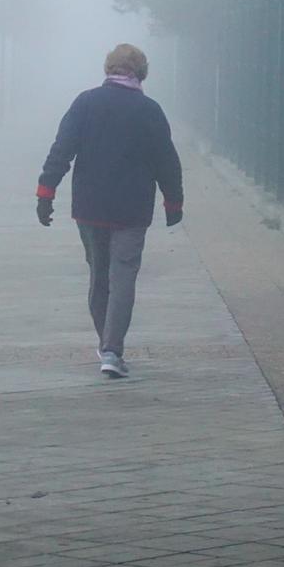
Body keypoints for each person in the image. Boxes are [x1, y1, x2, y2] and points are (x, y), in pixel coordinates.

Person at [34, 43, 184, 379]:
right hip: (132, 208)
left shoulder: (85, 103)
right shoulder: (149, 110)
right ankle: (113, 349)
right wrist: (173, 201)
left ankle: (106, 345)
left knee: (99, 275)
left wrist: (46, 193)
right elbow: (166, 161)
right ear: (140, 72)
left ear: (108, 69)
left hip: (90, 207)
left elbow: (62, 150)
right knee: (124, 276)